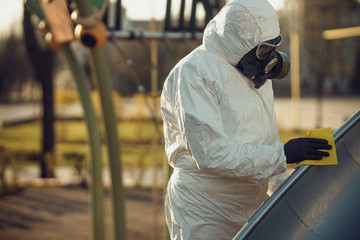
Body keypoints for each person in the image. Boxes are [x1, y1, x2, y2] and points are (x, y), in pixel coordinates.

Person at [160, 0, 332, 239]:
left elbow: (265, 140)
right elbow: (211, 154)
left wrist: (287, 191)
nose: (269, 58)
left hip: (251, 209)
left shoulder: (254, 75)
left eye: (273, 48)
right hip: (203, 211)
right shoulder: (195, 72)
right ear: (239, 39)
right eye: (263, 50)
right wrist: (283, 155)